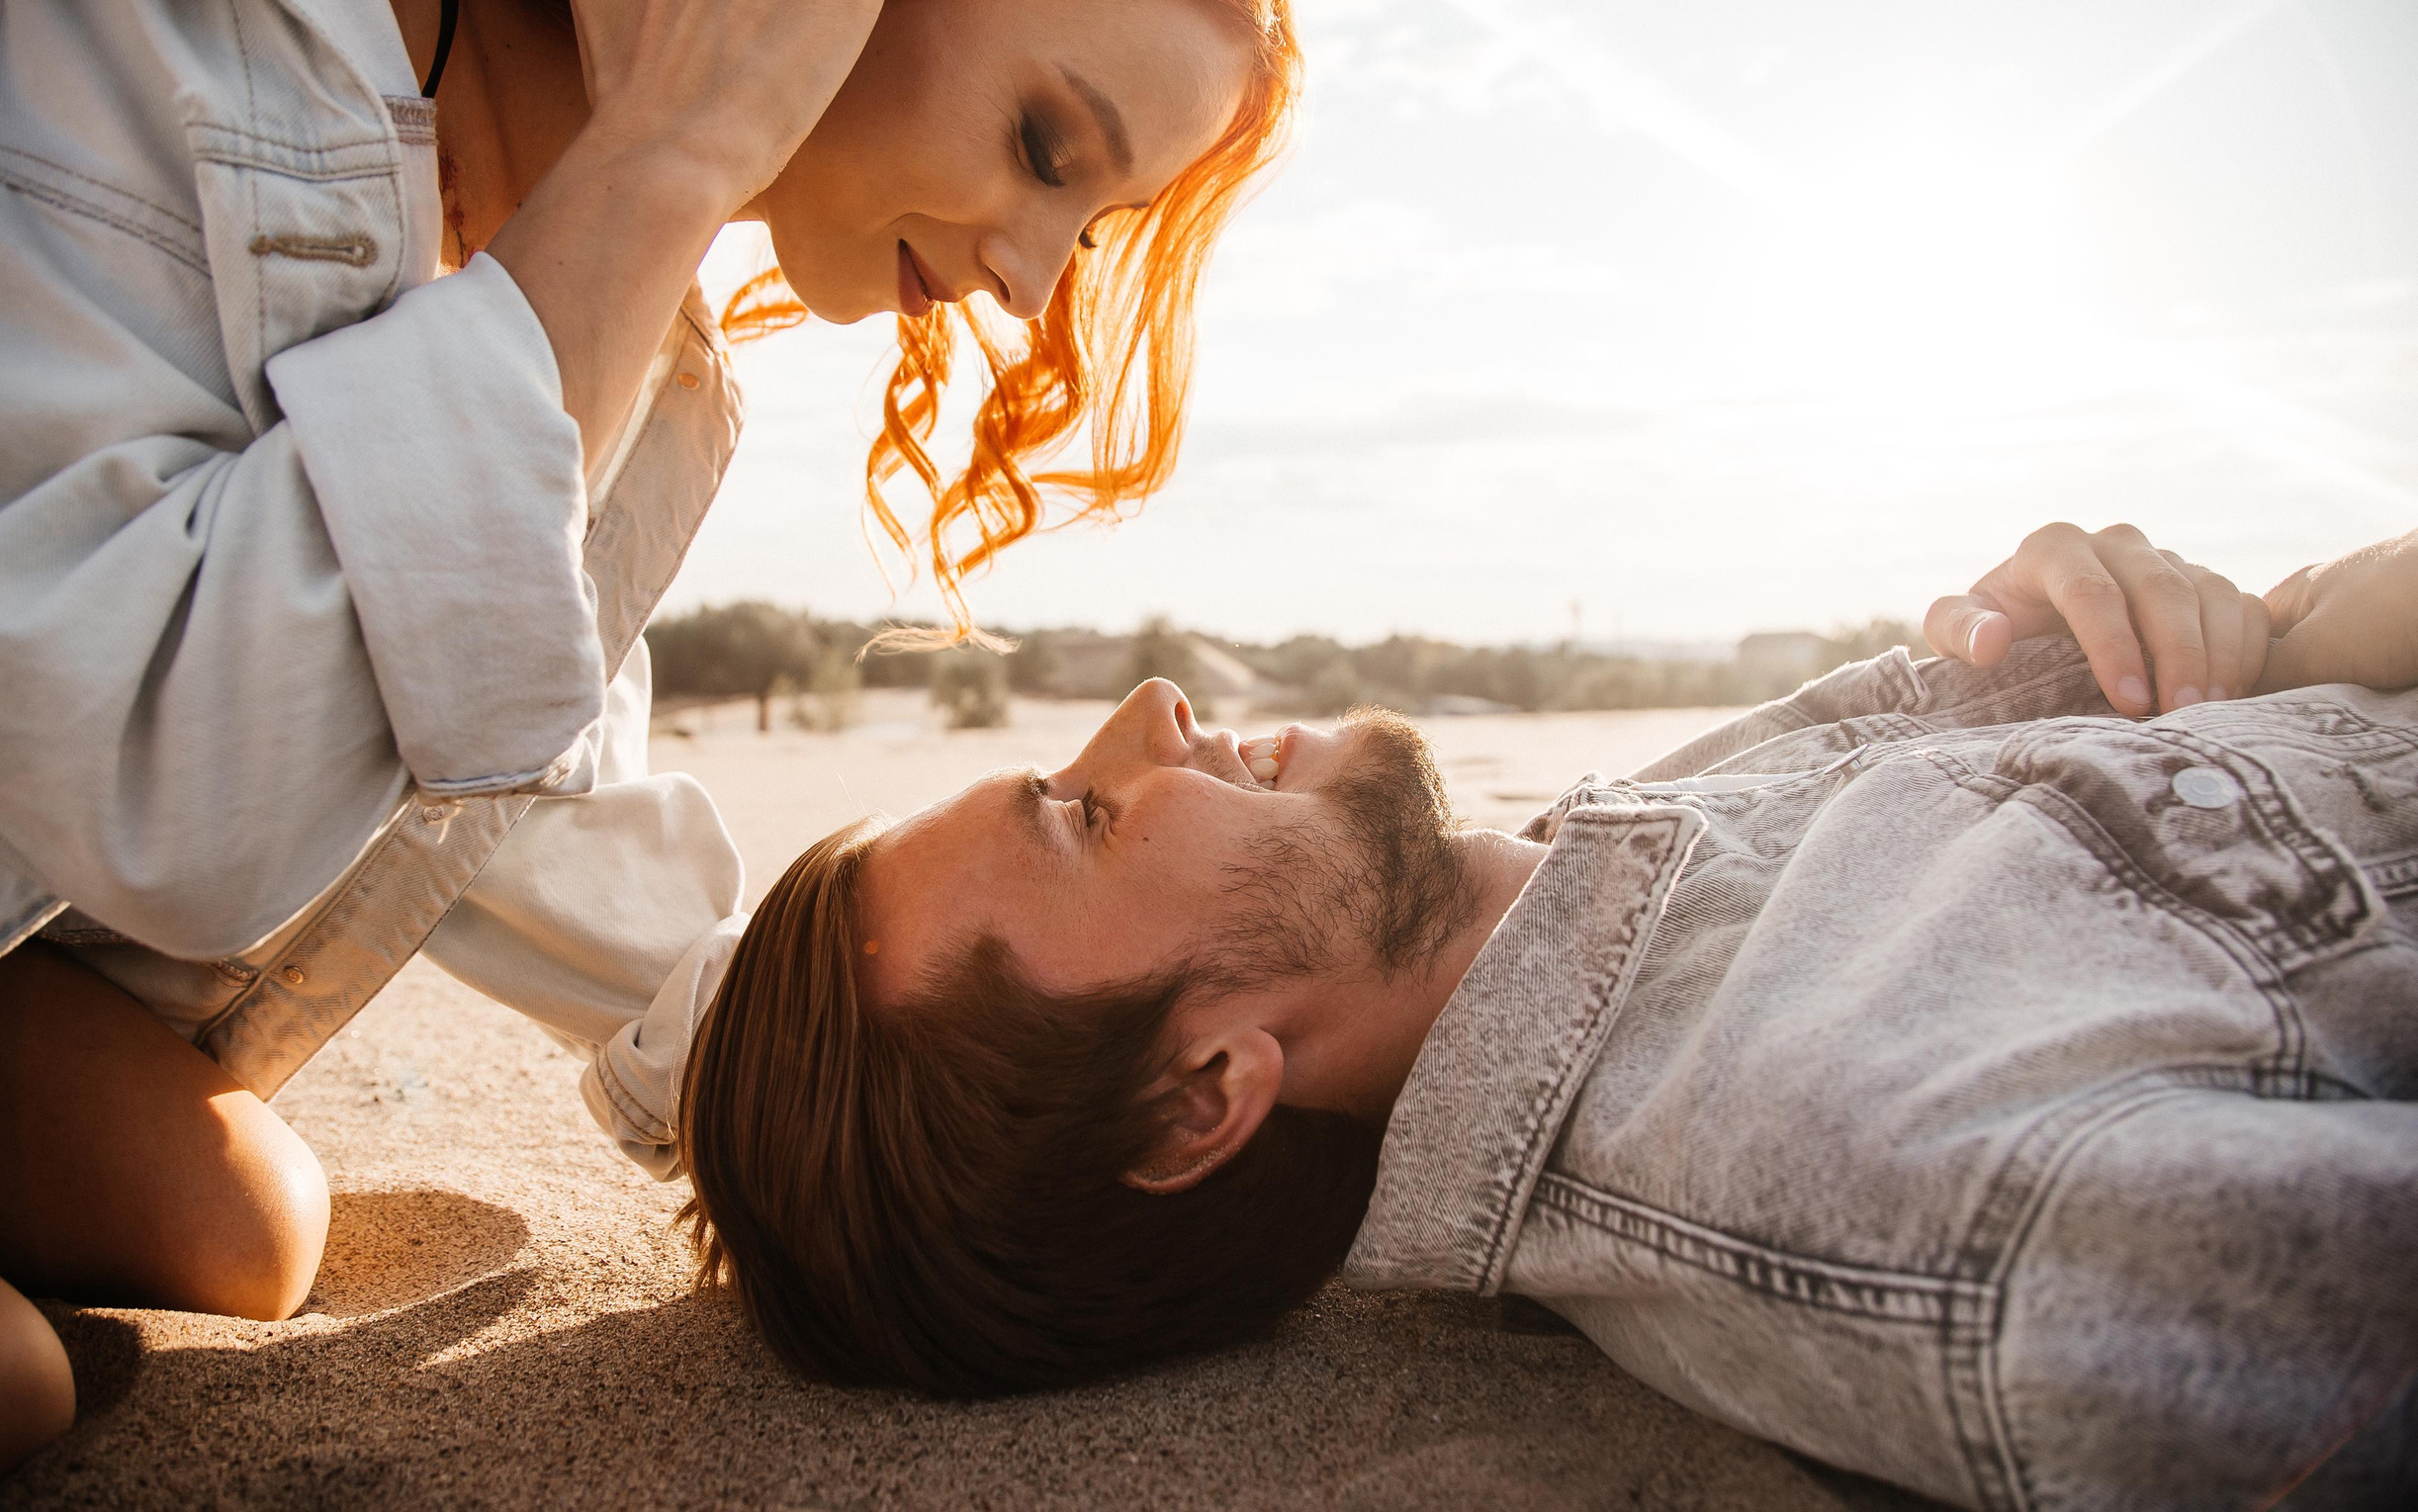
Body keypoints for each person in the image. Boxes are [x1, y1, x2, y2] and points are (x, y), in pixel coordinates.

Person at [0, 0, 1295, 1499]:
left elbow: (527, 795)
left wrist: (974, 1113)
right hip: (95, 788)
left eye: (1093, 215)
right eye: (1046, 140)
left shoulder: (625, 302)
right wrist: (676, 147)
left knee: (243, 1227)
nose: (1031, 280)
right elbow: (165, 783)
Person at [676, 522, 2418, 1511]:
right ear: (1200, 1095)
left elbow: (2308, 643)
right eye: (1083, 811)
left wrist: (2261, 621)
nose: (1145, 708)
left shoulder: (1626, 842)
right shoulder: (1892, 1173)